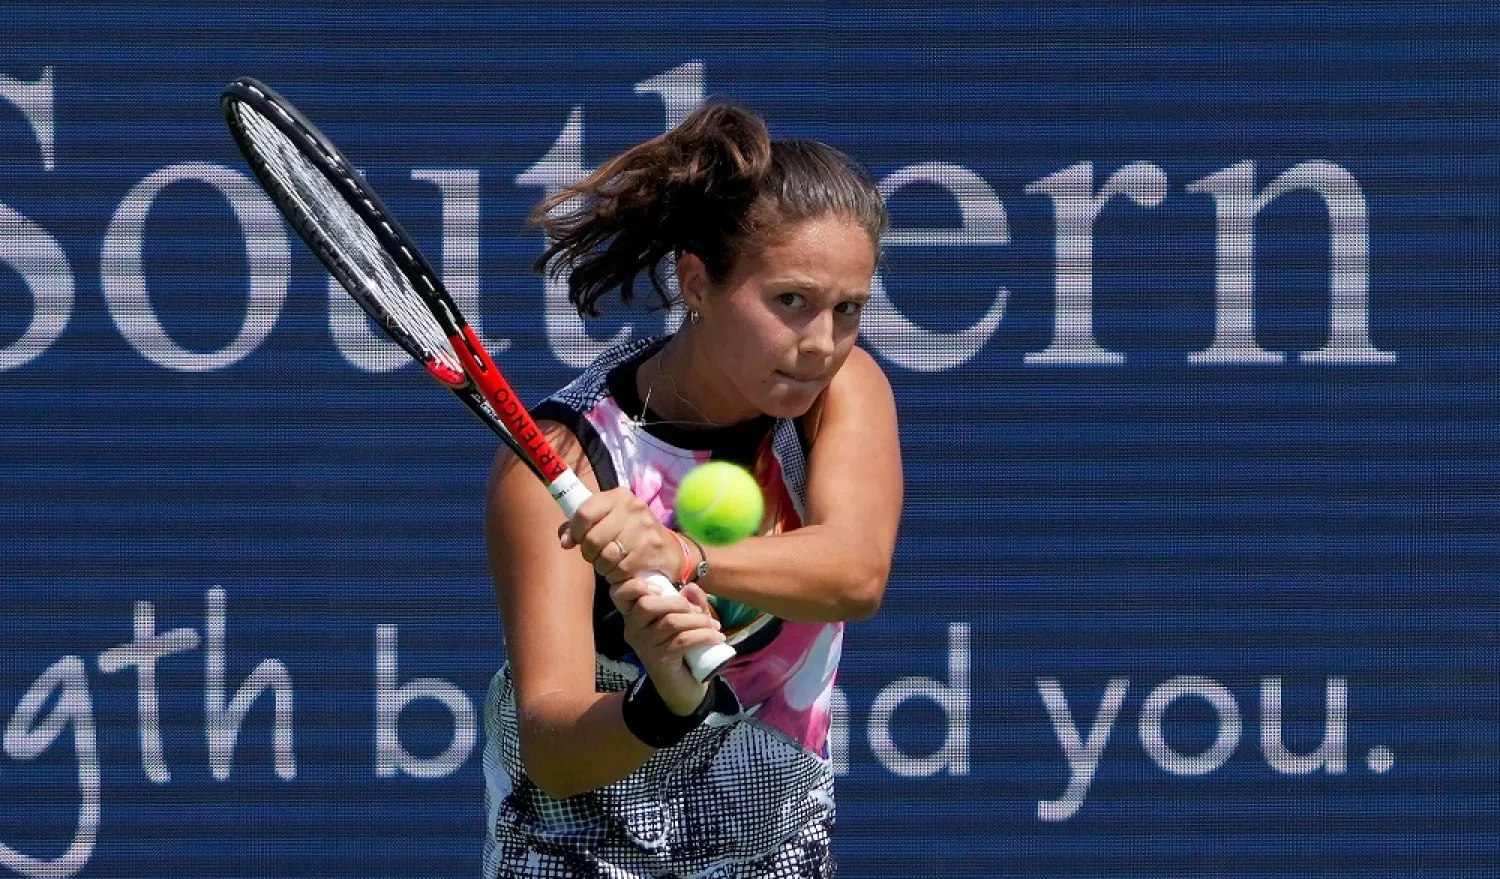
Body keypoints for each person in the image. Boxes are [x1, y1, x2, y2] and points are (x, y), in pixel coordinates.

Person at [482, 101, 903, 878]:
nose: (820, 344)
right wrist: (661, 704)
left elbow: (857, 570)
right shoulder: (563, 463)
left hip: (776, 851)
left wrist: (684, 554)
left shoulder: (842, 392)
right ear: (697, 282)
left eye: (848, 310)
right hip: (581, 859)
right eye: (790, 302)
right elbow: (552, 750)